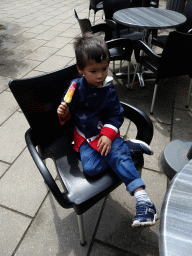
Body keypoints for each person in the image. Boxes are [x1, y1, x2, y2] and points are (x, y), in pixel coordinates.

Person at [57, 33, 156, 227]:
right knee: (91, 169)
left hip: (104, 134)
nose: (101, 75)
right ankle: (128, 147)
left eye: (104, 68)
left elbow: (116, 115)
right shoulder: (74, 87)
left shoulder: (108, 90)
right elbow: (69, 115)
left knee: (117, 156)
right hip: (84, 137)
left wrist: (109, 135)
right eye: (93, 71)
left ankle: (143, 201)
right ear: (81, 69)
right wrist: (63, 113)